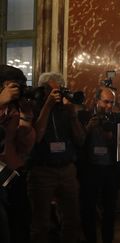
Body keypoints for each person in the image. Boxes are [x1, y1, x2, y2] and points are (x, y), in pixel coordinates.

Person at [27, 72, 85, 243]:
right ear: (43, 90)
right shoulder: (33, 107)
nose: (57, 94)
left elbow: (81, 140)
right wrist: (48, 106)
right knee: (41, 224)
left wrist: (72, 114)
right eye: (52, 91)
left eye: (59, 90)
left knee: (72, 221)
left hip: (67, 170)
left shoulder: (66, 110)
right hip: (42, 170)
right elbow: (36, 137)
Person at [79, 86, 120, 243]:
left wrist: (111, 136)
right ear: (96, 100)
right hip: (89, 170)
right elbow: (78, 142)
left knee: (110, 212)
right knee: (88, 209)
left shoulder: (118, 118)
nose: (109, 106)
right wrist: (88, 128)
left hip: (110, 171)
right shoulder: (83, 116)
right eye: (106, 102)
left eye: (112, 102)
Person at [0, 65, 35, 243]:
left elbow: (24, 147)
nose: (18, 91)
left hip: (14, 174)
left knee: (20, 225)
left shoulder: (15, 110)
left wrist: (27, 118)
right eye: (13, 86)